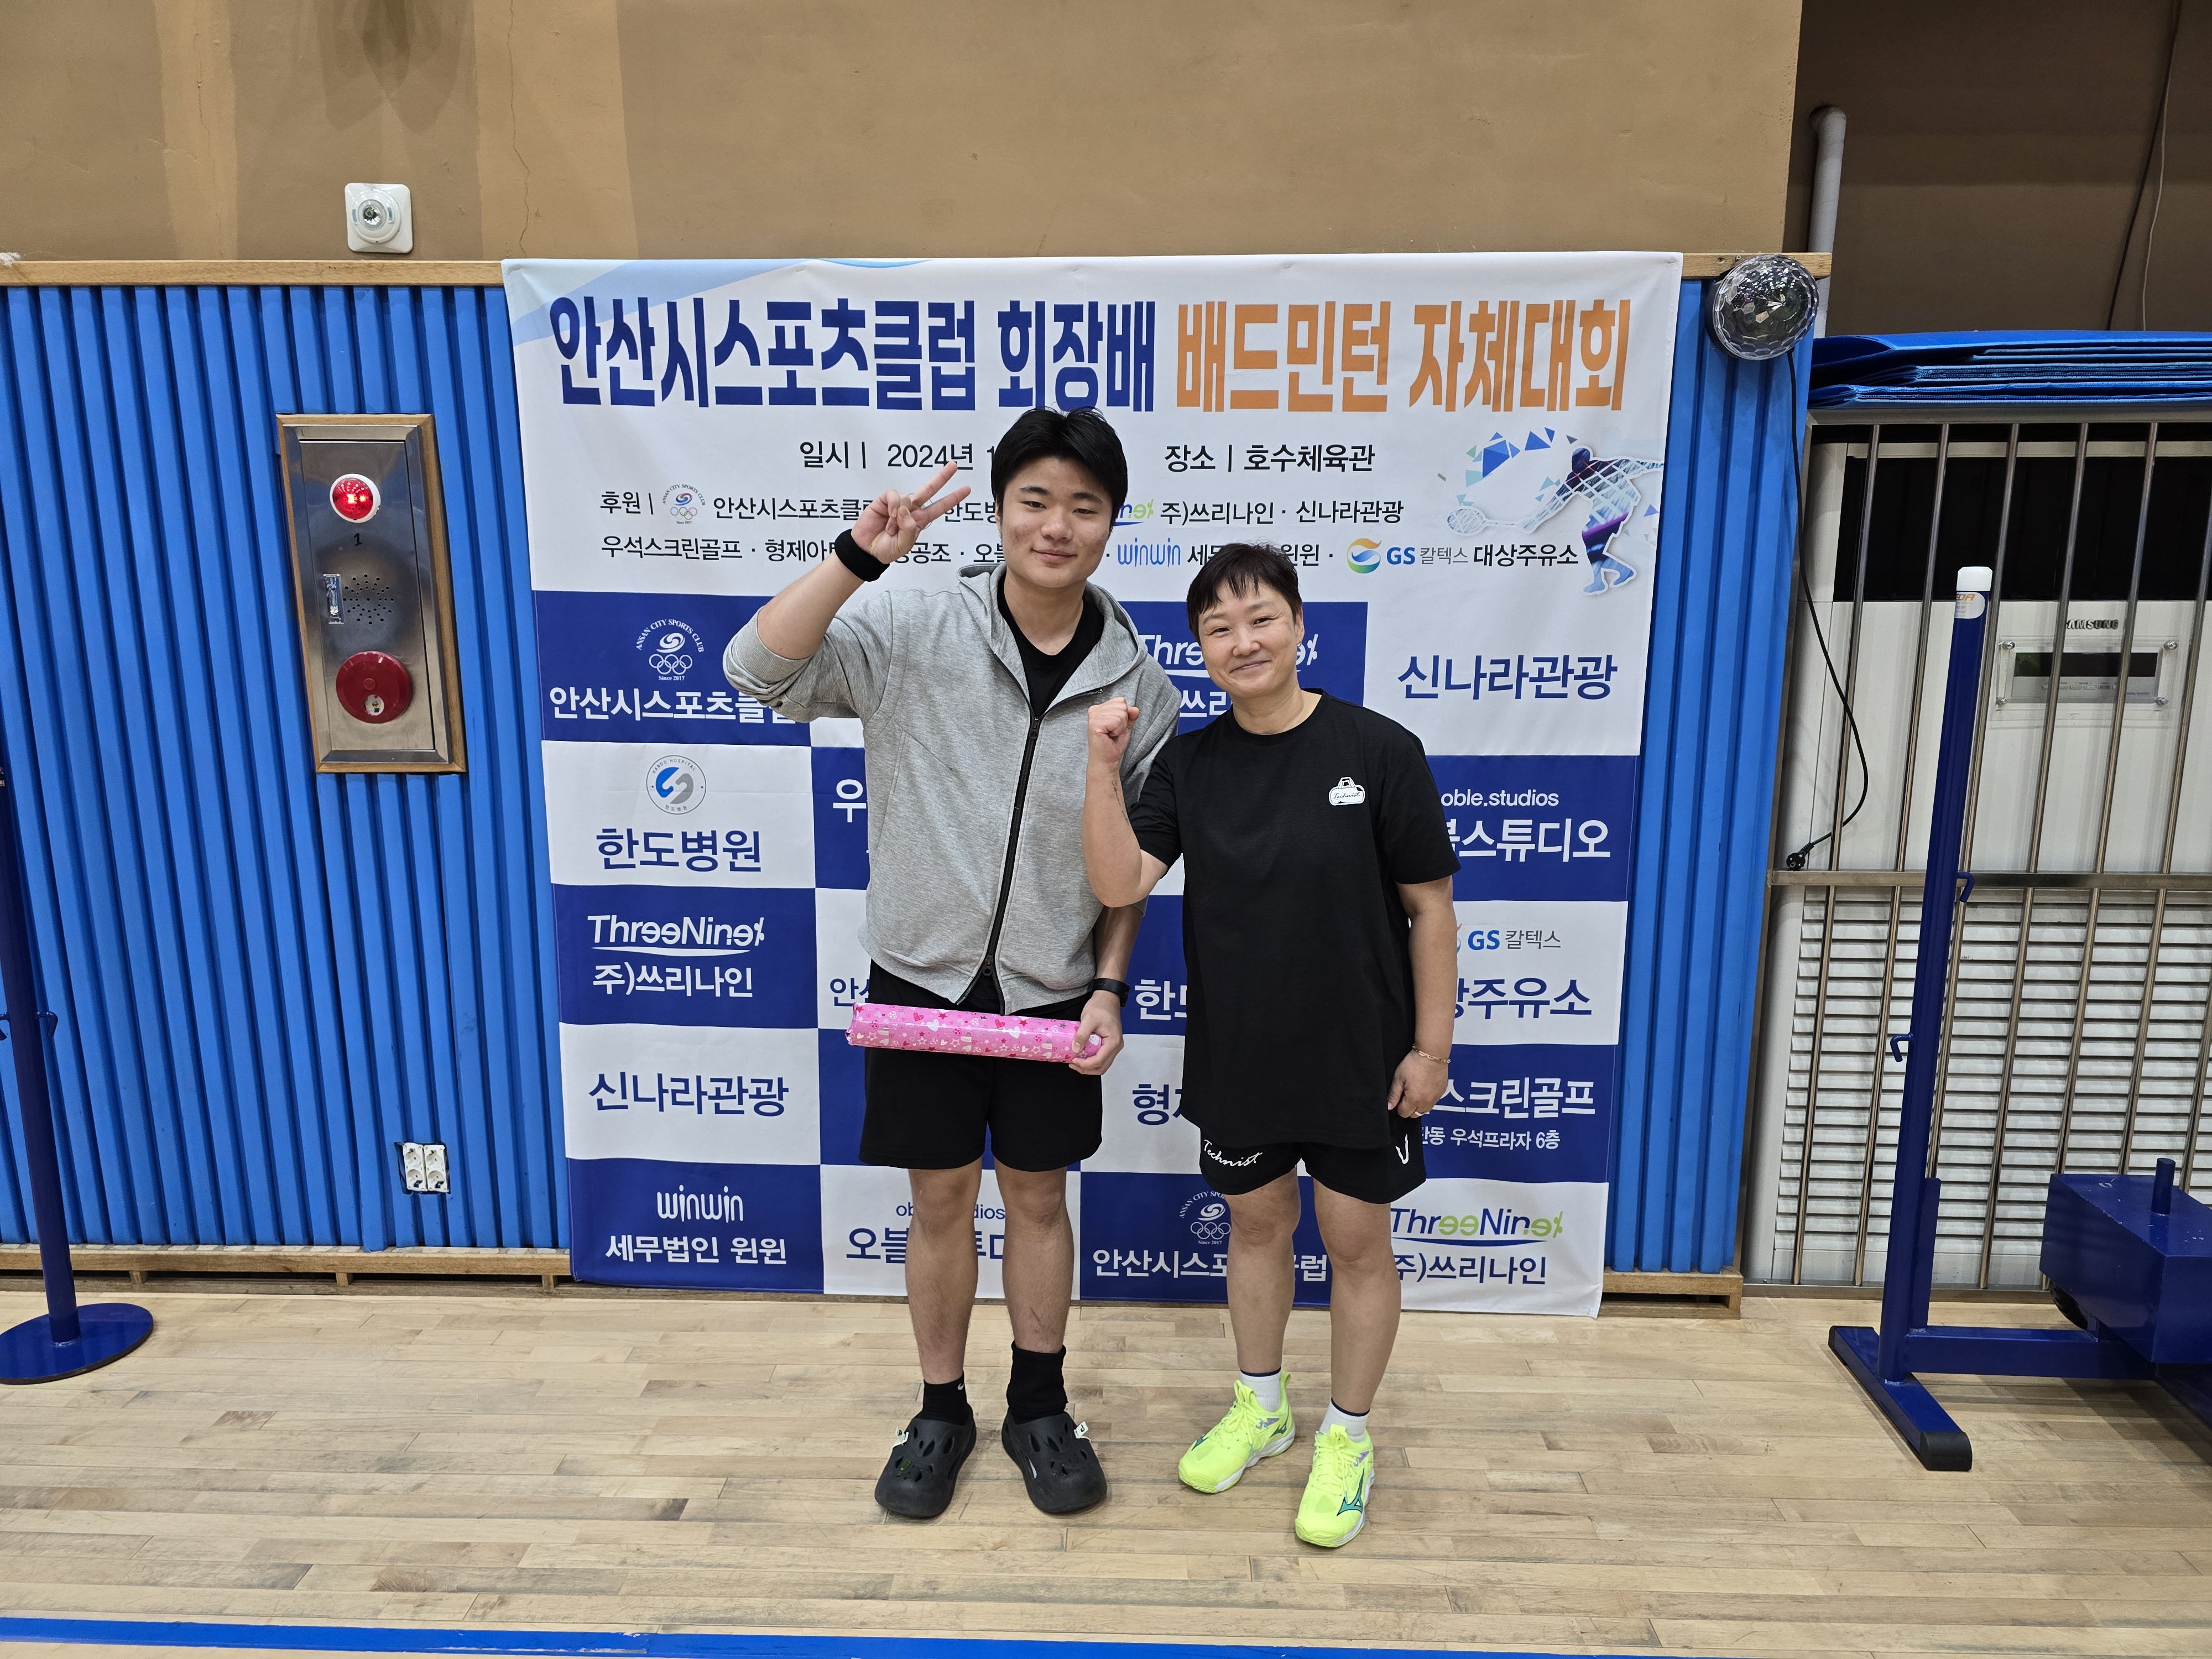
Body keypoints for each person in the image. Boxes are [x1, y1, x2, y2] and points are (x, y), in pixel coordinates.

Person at [723, 408, 1178, 1521]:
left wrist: (1109, 986)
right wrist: (856, 558)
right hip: (919, 986)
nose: (1057, 526)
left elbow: (1131, 870)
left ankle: (1039, 1407)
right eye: (1036, 500)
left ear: (1111, 525)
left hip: (1052, 993)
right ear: (1001, 511)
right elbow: (756, 669)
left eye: (1084, 506)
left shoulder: (1140, 684)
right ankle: (939, 1411)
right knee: (938, 1201)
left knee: (1039, 1199)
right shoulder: (914, 622)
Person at [1079, 542, 1460, 1548]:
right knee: (1255, 1228)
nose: (1243, 641)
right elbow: (1120, 884)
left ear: (1299, 627)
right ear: (1200, 648)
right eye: (1219, 627)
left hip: (1363, 1057)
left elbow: (1430, 910)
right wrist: (1104, 767)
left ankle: (1349, 1436)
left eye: (1261, 619)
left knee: (1356, 1242)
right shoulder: (1190, 765)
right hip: (1240, 1053)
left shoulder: (1379, 749)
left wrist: (1431, 1050)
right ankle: (1262, 1406)